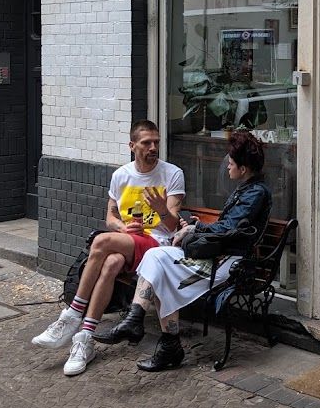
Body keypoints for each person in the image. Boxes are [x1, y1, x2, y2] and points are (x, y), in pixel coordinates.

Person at [98, 130, 271, 373]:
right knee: (154, 256)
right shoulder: (247, 189)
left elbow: (231, 229)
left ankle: (167, 343)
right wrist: (194, 227)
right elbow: (229, 227)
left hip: (228, 264)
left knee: (162, 271)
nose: (227, 166)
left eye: (231, 163)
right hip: (215, 256)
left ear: (243, 169)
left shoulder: (255, 193)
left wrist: (194, 229)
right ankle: (136, 319)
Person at [31, 119, 185, 376]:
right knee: (111, 263)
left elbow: (171, 229)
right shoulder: (121, 175)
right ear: (132, 145)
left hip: (158, 248)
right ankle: (85, 339)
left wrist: (160, 210)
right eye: (146, 143)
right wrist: (122, 229)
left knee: (100, 241)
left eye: (156, 142)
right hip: (129, 242)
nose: (153, 147)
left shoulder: (172, 173)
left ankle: (71, 315)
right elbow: (111, 218)